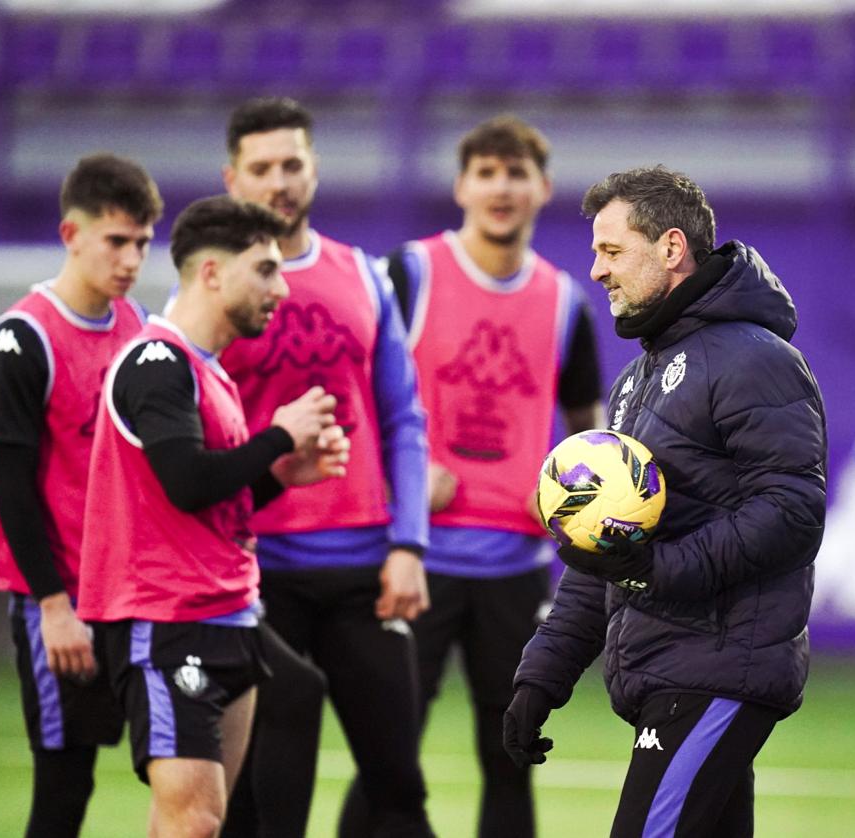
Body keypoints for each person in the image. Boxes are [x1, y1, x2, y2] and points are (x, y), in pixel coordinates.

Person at [503, 166, 827, 837]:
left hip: (718, 672)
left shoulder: (754, 358)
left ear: (672, 248)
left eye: (612, 251)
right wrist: (543, 675)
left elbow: (794, 511)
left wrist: (661, 567)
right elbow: (608, 551)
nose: (595, 270)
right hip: (672, 671)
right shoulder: (635, 381)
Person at [339, 114, 604, 838]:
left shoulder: (565, 302)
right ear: (460, 185)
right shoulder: (408, 274)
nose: (501, 187)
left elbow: (592, 427)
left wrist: (570, 492)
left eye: (516, 173)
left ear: (542, 188)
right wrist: (404, 478)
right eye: (486, 172)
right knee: (387, 758)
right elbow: (350, 393)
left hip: (516, 569)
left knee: (511, 757)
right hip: (411, 562)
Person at [75, 194, 348, 838]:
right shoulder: (157, 364)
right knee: (192, 821)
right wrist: (279, 438)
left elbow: (218, 508)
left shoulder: (209, 372)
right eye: (265, 269)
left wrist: (282, 477)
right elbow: (186, 484)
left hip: (230, 613)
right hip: (165, 620)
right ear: (211, 273)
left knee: (203, 822)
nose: (281, 288)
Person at [217, 96, 434, 837]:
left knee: (398, 790)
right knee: (261, 799)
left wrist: (409, 544)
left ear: (314, 170)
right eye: (262, 167)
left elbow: (405, 417)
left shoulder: (365, 275)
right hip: (253, 573)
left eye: (292, 164)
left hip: (365, 569)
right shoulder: (210, 292)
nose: (279, 181)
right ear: (233, 177)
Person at [0, 153, 162, 837]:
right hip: (59, 599)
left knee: (179, 763)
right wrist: (53, 606)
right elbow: (12, 486)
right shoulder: (22, 339)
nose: (131, 258)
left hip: (133, 591)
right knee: (65, 781)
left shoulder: (140, 329)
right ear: (71, 234)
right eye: (117, 241)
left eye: (142, 243)